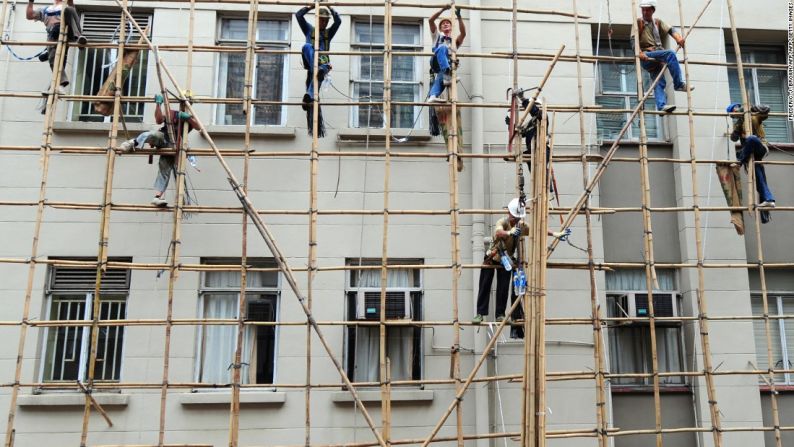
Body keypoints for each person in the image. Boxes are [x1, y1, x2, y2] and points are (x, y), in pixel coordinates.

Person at [473, 199, 572, 330]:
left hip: (505, 260)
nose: (516, 219)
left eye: (518, 217)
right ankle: (480, 313)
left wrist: (555, 234)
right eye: (514, 216)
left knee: (503, 288)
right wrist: (509, 232)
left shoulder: (522, 226)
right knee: (485, 285)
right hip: (493, 257)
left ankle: (500, 314)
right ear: (509, 213)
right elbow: (498, 232)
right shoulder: (503, 222)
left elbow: (538, 230)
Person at [120, 94, 199, 207]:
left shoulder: (189, 118)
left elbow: (198, 127)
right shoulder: (172, 113)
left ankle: (157, 197)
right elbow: (158, 120)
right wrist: (158, 104)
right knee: (152, 134)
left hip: (174, 145)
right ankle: (132, 143)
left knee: (164, 170)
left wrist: (188, 118)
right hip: (163, 137)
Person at [632, 0, 692, 114]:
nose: (645, 12)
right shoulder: (638, 22)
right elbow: (632, 40)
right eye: (643, 10)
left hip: (657, 56)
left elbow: (671, 30)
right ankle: (678, 84)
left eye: (647, 10)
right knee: (670, 54)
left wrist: (678, 38)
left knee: (659, 81)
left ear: (653, 10)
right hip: (647, 55)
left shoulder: (657, 22)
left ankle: (661, 106)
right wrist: (639, 52)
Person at [26, 0, 87, 88]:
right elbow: (30, 15)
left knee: (69, 10)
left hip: (66, 33)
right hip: (53, 35)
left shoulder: (66, 6)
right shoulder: (46, 10)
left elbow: (70, 4)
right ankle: (61, 82)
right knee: (54, 58)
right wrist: (31, 2)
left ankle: (78, 38)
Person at [727, 102, 776, 214]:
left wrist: (751, 109)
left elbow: (766, 110)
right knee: (758, 175)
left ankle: (739, 162)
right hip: (749, 154)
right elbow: (733, 139)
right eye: (733, 114)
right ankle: (768, 199)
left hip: (760, 147)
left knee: (751, 139)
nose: (735, 114)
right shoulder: (739, 124)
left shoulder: (753, 115)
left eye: (735, 111)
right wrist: (737, 128)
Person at [295, 5, 342, 109]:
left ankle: (309, 97)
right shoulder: (309, 29)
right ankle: (318, 71)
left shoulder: (328, 33)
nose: (324, 23)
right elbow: (298, 15)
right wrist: (311, 7)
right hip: (311, 60)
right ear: (317, 19)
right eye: (322, 20)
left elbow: (338, 21)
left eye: (326, 21)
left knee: (321, 72)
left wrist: (330, 7)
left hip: (322, 63)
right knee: (306, 46)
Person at [427, 6, 466, 103]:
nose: (445, 24)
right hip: (436, 61)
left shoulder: (455, 41)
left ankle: (432, 95)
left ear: (452, 27)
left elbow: (463, 33)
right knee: (443, 47)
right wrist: (443, 9)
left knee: (441, 77)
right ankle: (448, 75)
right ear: (440, 28)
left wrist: (459, 17)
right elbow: (431, 20)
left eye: (447, 23)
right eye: (443, 24)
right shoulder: (437, 36)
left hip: (448, 65)